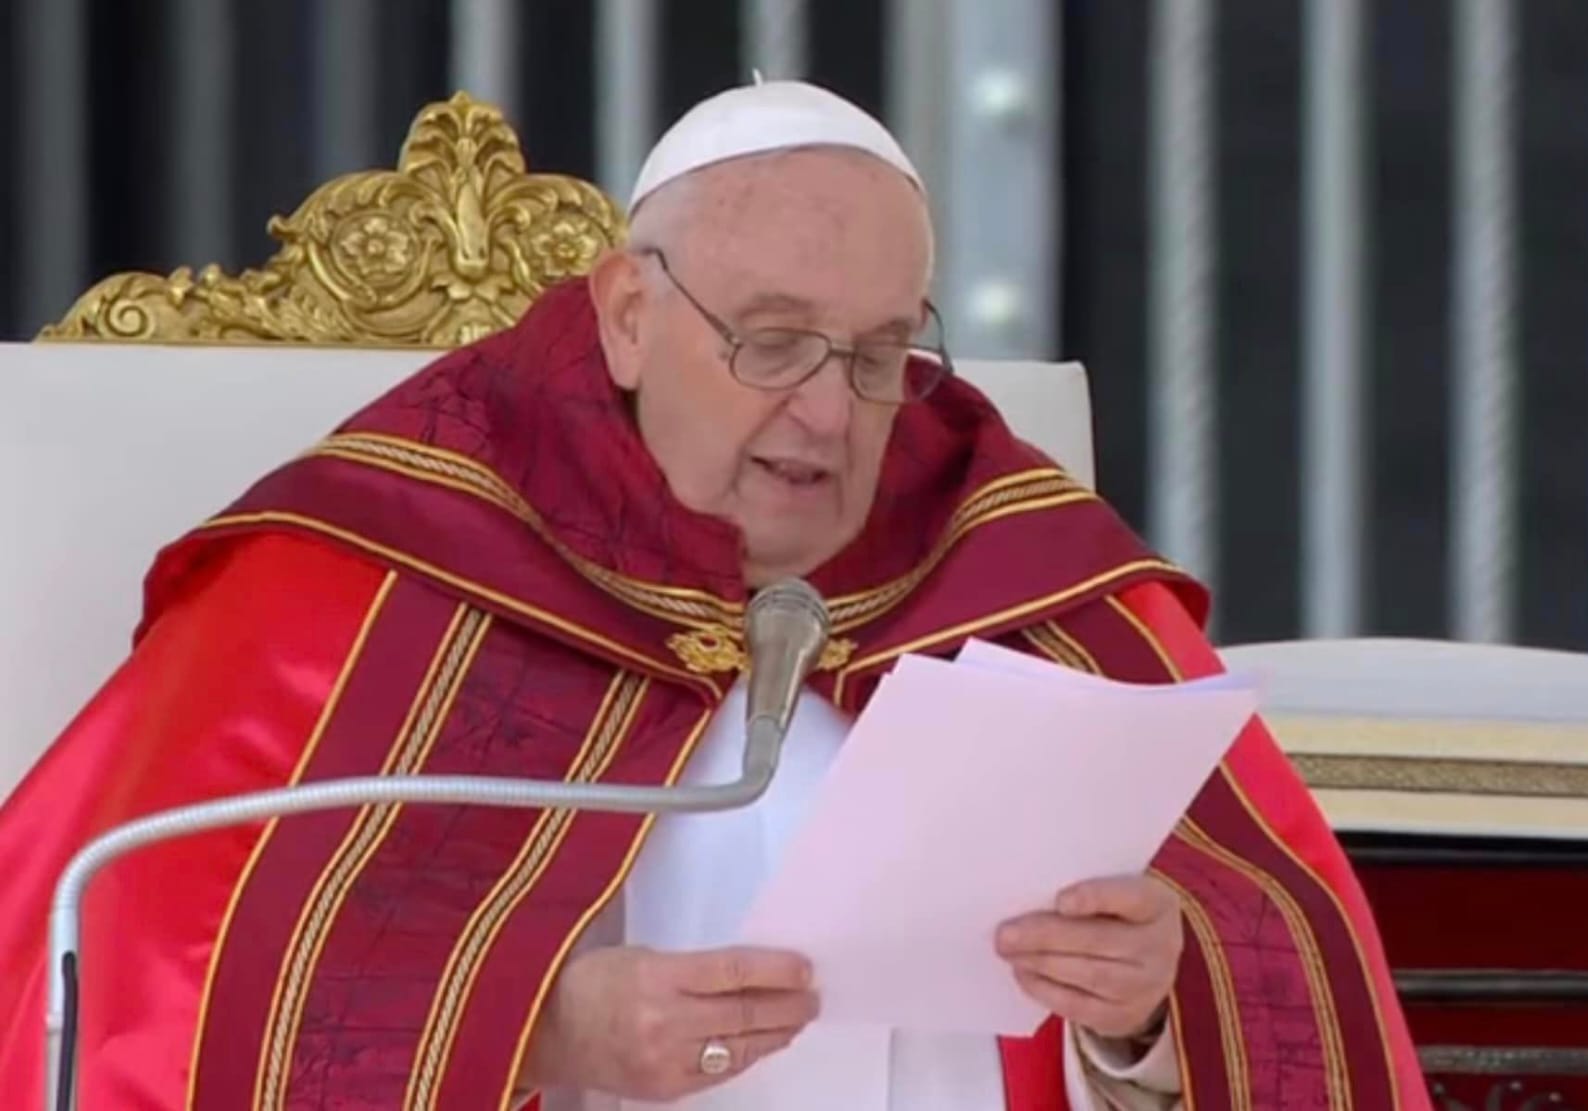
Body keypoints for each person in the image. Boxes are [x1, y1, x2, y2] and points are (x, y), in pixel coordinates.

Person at [0, 81, 1426, 1110]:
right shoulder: (384, 563)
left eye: (877, 355)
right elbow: (116, 959)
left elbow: (1273, 982)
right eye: (772, 343)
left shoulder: (1027, 580)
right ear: (627, 315)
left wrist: (1148, 1020)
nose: (828, 415)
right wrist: (532, 1035)